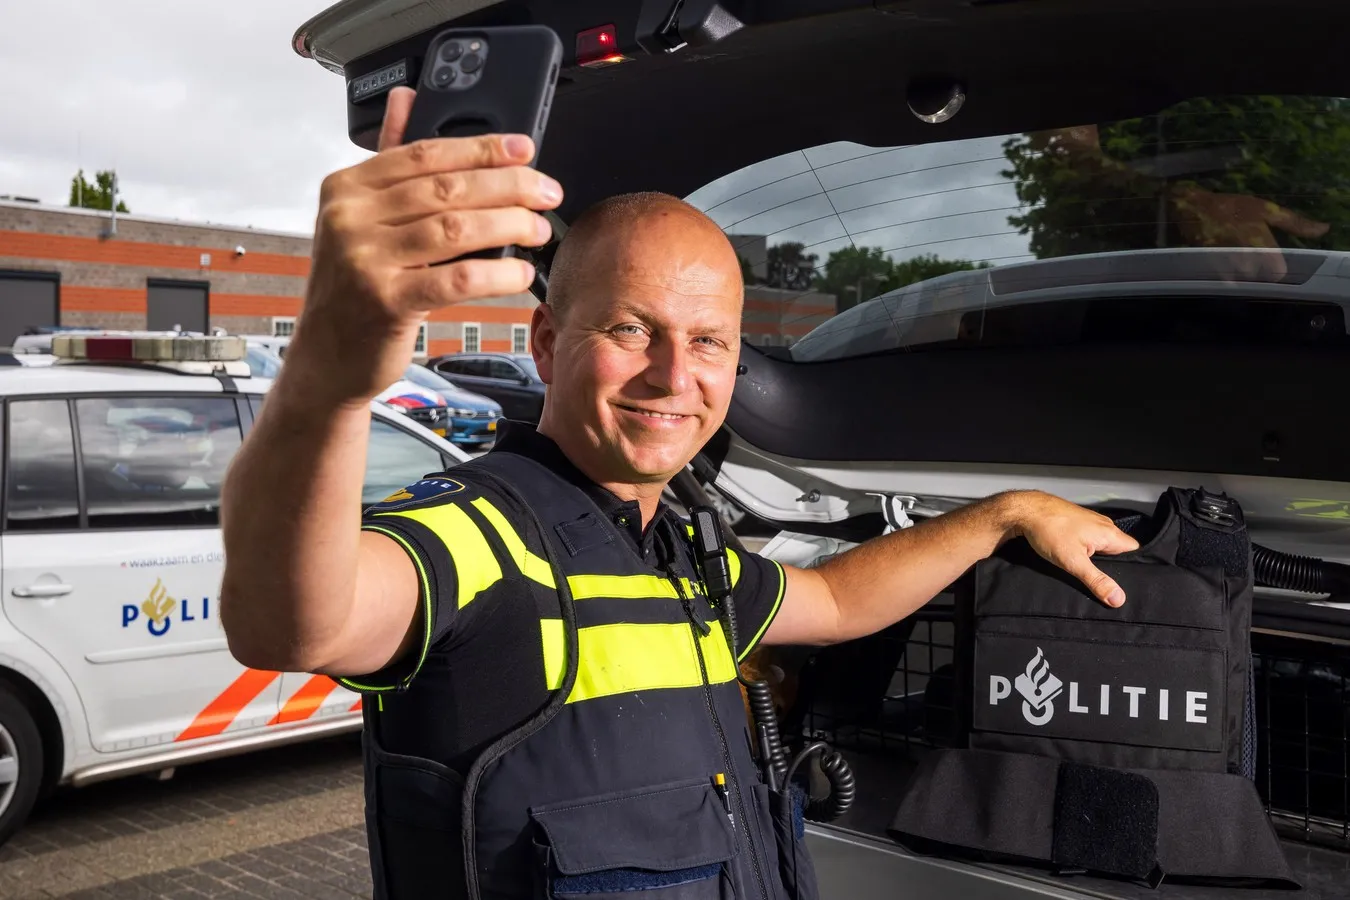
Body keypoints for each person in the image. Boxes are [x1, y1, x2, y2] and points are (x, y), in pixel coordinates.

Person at [218, 86, 1139, 900]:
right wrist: (328, 381)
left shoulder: (682, 548)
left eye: (709, 342)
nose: (673, 375)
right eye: (631, 328)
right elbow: (291, 623)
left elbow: (833, 599)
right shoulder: (479, 533)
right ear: (544, 344)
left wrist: (1005, 514)